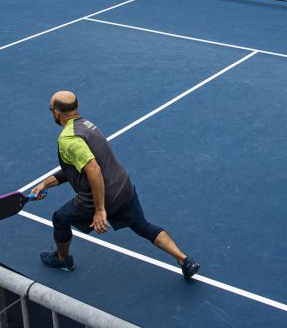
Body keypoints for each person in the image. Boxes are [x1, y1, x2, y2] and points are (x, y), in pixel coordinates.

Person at [30, 91, 200, 280]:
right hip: (123, 187)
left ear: (56, 113)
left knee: (60, 218)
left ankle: (63, 260)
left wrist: (100, 209)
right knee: (142, 225)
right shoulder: (87, 125)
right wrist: (46, 183)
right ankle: (184, 260)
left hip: (99, 197)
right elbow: (77, 168)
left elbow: (93, 170)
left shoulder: (68, 139)